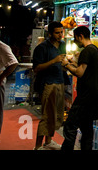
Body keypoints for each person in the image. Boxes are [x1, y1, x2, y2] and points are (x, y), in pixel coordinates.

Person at [61, 26, 98, 151]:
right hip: (94, 96)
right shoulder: (96, 50)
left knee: (70, 126)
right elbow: (87, 70)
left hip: (85, 97)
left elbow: (80, 72)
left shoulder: (86, 51)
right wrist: (74, 63)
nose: (75, 41)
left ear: (80, 36)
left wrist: (66, 65)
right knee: (87, 128)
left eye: (75, 38)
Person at [32, 21, 66, 150]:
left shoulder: (62, 44)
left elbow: (63, 62)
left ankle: (49, 141)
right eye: (57, 33)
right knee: (46, 115)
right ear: (50, 33)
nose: (60, 35)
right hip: (48, 84)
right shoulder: (42, 48)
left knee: (56, 114)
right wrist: (53, 61)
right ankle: (37, 146)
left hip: (60, 81)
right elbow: (37, 68)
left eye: (61, 32)